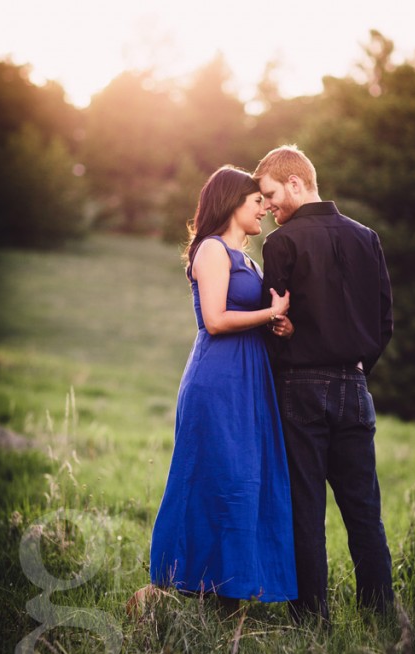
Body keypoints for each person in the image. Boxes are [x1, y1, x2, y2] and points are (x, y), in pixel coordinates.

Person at [252, 145, 394, 624]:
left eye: (271, 195)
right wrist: (356, 367)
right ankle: (379, 616)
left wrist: (292, 350)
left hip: (300, 387)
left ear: (295, 183)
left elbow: (273, 322)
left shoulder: (282, 243)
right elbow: (385, 321)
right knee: (364, 511)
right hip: (355, 385)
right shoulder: (366, 237)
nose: (268, 207)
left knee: (306, 510)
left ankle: (312, 620)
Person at [148, 166, 298, 613]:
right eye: (257, 202)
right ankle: (192, 583)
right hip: (218, 378)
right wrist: (270, 313)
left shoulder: (248, 259)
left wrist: (280, 326)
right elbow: (214, 320)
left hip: (250, 377)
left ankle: (231, 588)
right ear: (233, 203)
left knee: (244, 479)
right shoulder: (212, 249)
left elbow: (252, 317)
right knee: (218, 477)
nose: (264, 209)